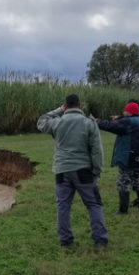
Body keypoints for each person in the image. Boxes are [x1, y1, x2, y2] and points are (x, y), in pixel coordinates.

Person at [37, 94, 108, 248]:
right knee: (93, 204)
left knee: (63, 206)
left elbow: (41, 121)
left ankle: (65, 240)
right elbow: (97, 150)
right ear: (79, 105)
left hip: (61, 171)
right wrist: (97, 170)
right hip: (84, 170)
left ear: (65, 106)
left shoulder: (57, 122)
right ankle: (100, 239)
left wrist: (59, 110)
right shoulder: (89, 123)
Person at [95, 102, 139, 214]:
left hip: (128, 157)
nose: (123, 112)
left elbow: (110, 126)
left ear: (129, 112)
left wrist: (96, 121)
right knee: (138, 181)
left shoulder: (128, 122)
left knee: (123, 183)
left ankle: (123, 210)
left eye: (125, 110)